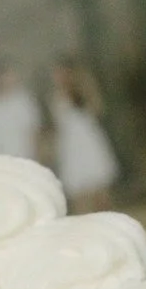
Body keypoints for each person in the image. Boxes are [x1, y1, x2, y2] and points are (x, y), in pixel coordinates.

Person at [48, 60, 121, 209]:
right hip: (70, 144)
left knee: (99, 188)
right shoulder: (54, 96)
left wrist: (84, 90)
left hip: (87, 138)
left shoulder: (83, 90)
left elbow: (97, 109)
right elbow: (57, 123)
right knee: (78, 191)